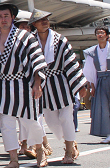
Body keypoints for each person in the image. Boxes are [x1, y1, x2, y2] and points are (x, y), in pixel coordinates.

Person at [0, 4, 47, 168]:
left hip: (23, 84)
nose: (3, 19)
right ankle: (13, 159)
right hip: (2, 85)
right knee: (6, 124)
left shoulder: (25, 37)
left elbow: (37, 60)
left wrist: (37, 84)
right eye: (0, 17)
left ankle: (40, 152)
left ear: (12, 17)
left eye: (6, 16)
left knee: (31, 122)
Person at [30, 9, 87, 164]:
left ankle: (69, 150)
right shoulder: (31, 41)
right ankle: (71, 141)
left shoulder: (60, 39)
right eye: (41, 20)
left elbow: (71, 62)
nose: (45, 21)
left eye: (46, 19)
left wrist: (80, 85)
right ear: (34, 24)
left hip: (61, 82)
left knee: (65, 117)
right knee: (51, 120)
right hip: (43, 84)